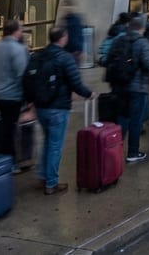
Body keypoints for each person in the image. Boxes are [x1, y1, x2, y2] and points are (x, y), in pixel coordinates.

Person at [29, 26, 94, 195]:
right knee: (55, 146)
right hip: (58, 107)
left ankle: (42, 176)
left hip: (41, 106)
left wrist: (30, 102)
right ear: (63, 38)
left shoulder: (38, 55)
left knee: (47, 141)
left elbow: (28, 79)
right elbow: (75, 82)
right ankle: (51, 183)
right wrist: (89, 94)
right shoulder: (65, 58)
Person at [106, 16, 149, 162]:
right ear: (142, 28)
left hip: (121, 85)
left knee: (122, 118)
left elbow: (108, 60)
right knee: (136, 121)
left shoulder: (119, 40)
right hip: (138, 87)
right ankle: (133, 152)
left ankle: (115, 150)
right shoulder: (142, 42)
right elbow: (148, 63)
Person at [0, 19, 29, 170]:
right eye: (21, 29)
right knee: (10, 129)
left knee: (5, 127)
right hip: (12, 95)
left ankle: (4, 158)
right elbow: (22, 75)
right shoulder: (17, 49)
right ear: (16, 31)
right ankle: (9, 162)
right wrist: (29, 99)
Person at [56, 0, 87, 64]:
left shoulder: (76, 20)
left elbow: (80, 36)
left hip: (75, 52)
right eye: (65, 7)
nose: (67, 9)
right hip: (65, 52)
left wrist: (80, 50)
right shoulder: (62, 21)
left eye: (69, 6)